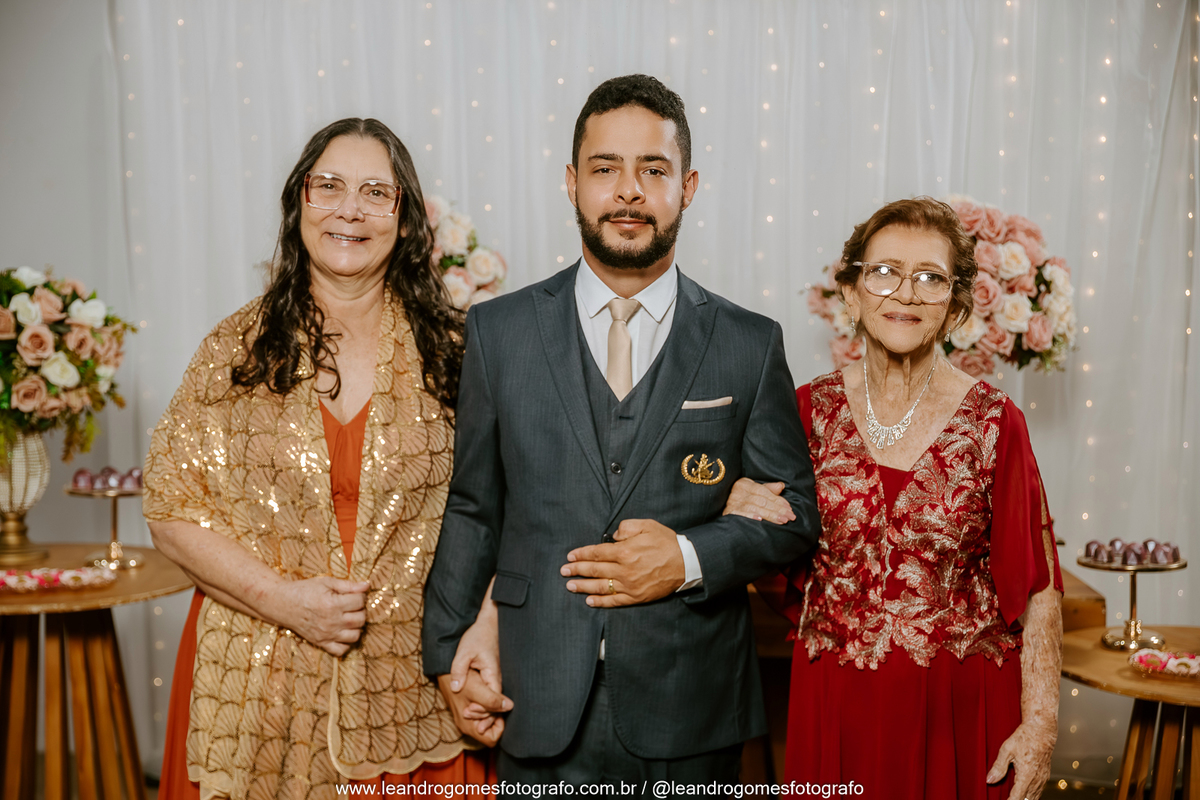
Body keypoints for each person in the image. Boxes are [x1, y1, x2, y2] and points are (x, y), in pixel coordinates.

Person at [421, 74, 821, 786]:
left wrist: (688, 556)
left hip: (692, 705)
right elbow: (474, 507)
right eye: (606, 169)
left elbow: (794, 517)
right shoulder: (498, 333)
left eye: (653, 170)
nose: (629, 191)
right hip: (533, 696)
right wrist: (449, 651)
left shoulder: (749, 343)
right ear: (572, 182)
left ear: (688, 187)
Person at [144, 118, 506, 799]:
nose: (350, 209)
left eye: (376, 192)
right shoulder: (233, 350)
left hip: (417, 691)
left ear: (406, 219)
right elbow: (169, 509)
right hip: (256, 685)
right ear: (300, 202)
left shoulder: (461, 353)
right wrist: (285, 601)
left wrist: (488, 629)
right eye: (330, 186)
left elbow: (517, 509)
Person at [726, 197, 1063, 800]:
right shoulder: (804, 411)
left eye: (930, 278)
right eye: (883, 272)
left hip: (960, 712)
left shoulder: (996, 423)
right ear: (851, 294)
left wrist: (1040, 727)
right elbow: (767, 540)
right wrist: (739, 504)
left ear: (955, 307)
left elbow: (1039, 585)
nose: (905, 293)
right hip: (835, 698)